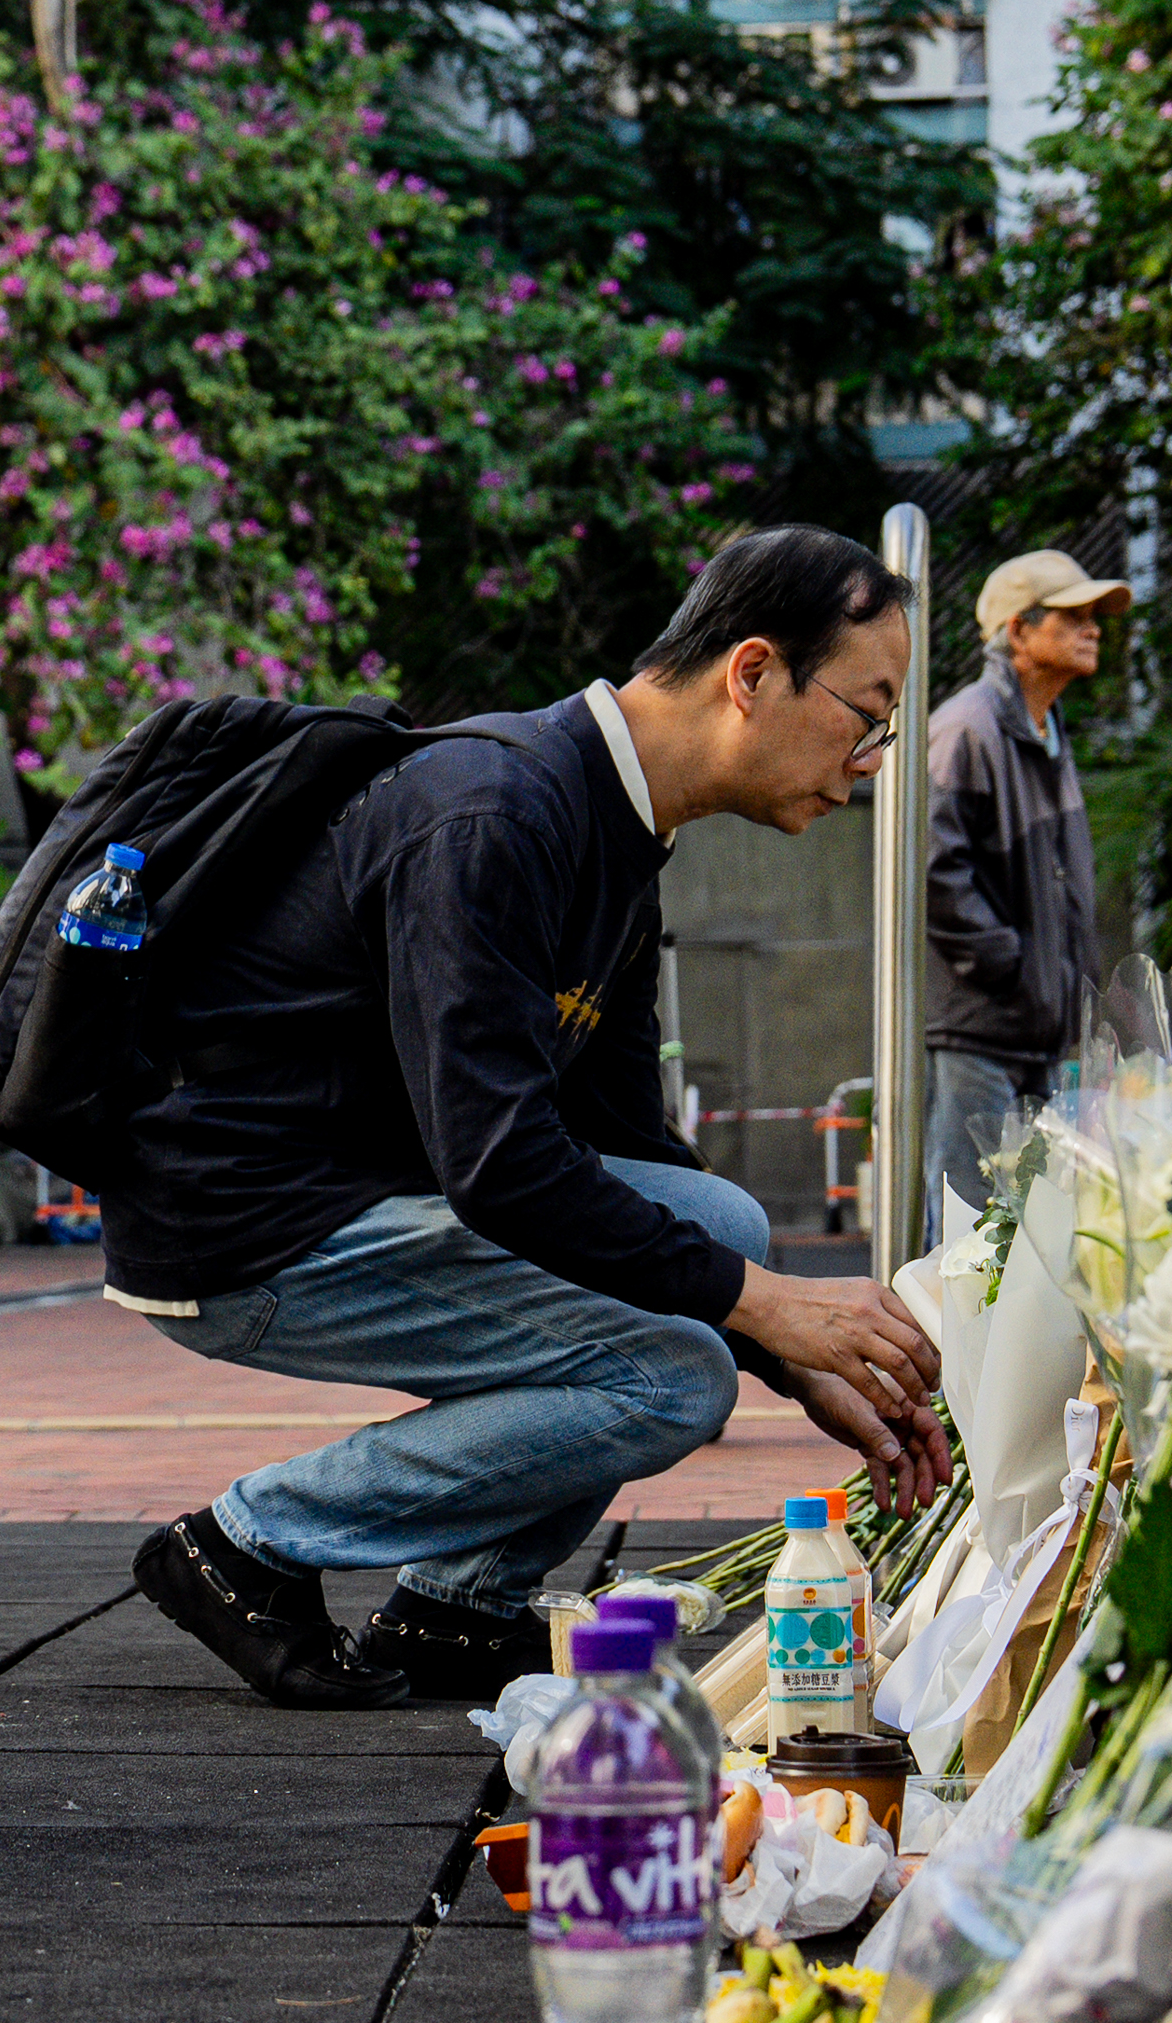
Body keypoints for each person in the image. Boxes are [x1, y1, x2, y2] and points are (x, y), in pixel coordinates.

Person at [111, 528, 951, 1710]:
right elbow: (502, 1165)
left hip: (366, 1192)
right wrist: (762, 1315)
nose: (870, 760)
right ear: (752, 673)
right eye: (868, 715)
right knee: (667, 1379)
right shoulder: (498, 815)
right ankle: (243, 1546)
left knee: (721, 1223)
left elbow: (620, 1137)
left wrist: (793, 1358)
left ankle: (457, 1608)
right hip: (247, 1225)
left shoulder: (619, 828)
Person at [922, 549, 1130, 1212]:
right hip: (982, 1031)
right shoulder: (966, 728)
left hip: (1039, 1030)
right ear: (1018, 630)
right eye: (1074, 615)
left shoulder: (1046, 731)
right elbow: (936, 871)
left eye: (1094, 615)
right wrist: (1010, 968)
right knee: (965, 1230)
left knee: (1031, 1231)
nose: (1094, 627)